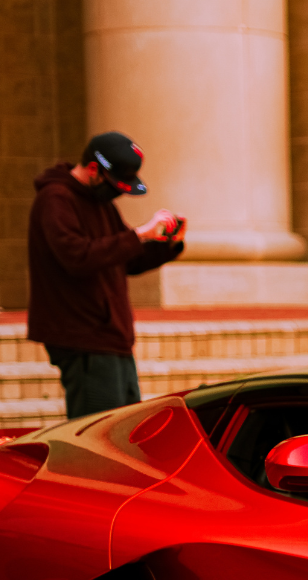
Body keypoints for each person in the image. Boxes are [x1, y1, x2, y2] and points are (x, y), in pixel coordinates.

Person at [28, 132, 185, 418]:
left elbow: (125, 259)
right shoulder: (56, 199)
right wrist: (138, 234)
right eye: (115, 185)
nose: (117, 193)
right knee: (97, 436)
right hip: (83, 335)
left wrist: (167, 245)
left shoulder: (101, 204)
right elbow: (76, 256)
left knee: (124, 428)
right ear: (93, 169)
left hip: (112, 337)